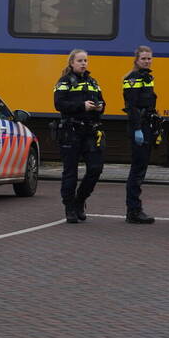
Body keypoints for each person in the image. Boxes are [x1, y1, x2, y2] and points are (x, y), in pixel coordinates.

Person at [54, 49, 105, 223]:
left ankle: (80, 200)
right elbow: (59, 103)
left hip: (90, 131)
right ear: (72, 63)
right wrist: (82, 106)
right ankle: (69, 207)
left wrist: (99, 107)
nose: (83, 63)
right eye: (80, 61)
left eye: (85, 61)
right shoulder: (64, 81)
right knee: (71, 173)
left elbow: (102, 102)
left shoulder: (93, 82)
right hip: (71, 131)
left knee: (96, 168)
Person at [122, 46, 157, 224]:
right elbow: (132, 106)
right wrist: (137, 129)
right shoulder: (133, 79)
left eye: (149, 58)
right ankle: (133, 211)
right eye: (143, 58)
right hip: (139, 126)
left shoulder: (147, 77)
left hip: (146, 125)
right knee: (137, 170)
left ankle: (135, 209)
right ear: (136, 60)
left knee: (141, 169)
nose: (147, 61)